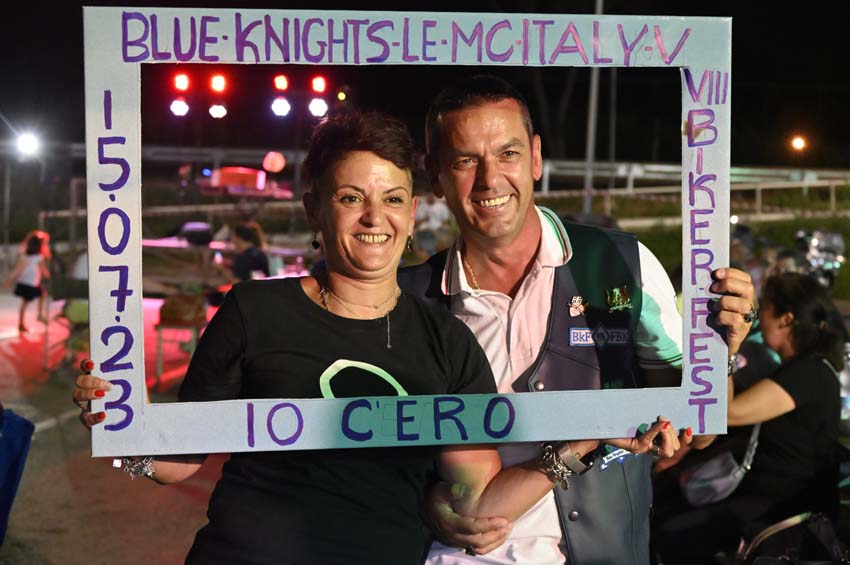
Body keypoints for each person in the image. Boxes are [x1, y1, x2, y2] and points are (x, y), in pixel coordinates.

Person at [72, 111, 678, 564]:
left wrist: (587, 441)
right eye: (350, 198)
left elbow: (474, 505)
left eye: (391, 199)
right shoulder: (254, 310)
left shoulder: (447, 339)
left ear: (412, 214)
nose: (373, 217)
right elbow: (179, 462)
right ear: (314, 209)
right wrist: (120, 428)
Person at [398, 75, 755, 564]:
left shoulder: (622, 263)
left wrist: (721, 353)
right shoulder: (410, 301)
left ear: (536, 157)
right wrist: (428, 505)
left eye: (508, 154)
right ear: (435, 175)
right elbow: (386, 467)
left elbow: (701, 426)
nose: (489, 179)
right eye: (465, 161)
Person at [652, 272, 844, 563]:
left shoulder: (811, 373)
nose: (756, 315)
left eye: (763, 306)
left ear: (786, 319)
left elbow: (727, 412)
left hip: (783, 506)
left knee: (670, 533)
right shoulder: (800, 368)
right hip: (766, 493)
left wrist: (728, 351)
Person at [2, 230, 51, 334]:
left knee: (30, 300)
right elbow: (44, 271)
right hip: (31, 284)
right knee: (38, 296)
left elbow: (17, 271)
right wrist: (48, 275)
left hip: (24, 283)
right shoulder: (39, 257)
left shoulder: (25, 257)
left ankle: (22, 323)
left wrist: (9, 280)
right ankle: (38, 316)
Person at [414, 192, 452, 259]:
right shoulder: (421, 207)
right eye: (428, 195)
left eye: (431, 195)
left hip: (437, 231)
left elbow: (447, 221)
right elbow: (415, 223)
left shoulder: (441, 206)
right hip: (423, 232)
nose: (430, 196)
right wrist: (424, 219)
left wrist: (442, 227)